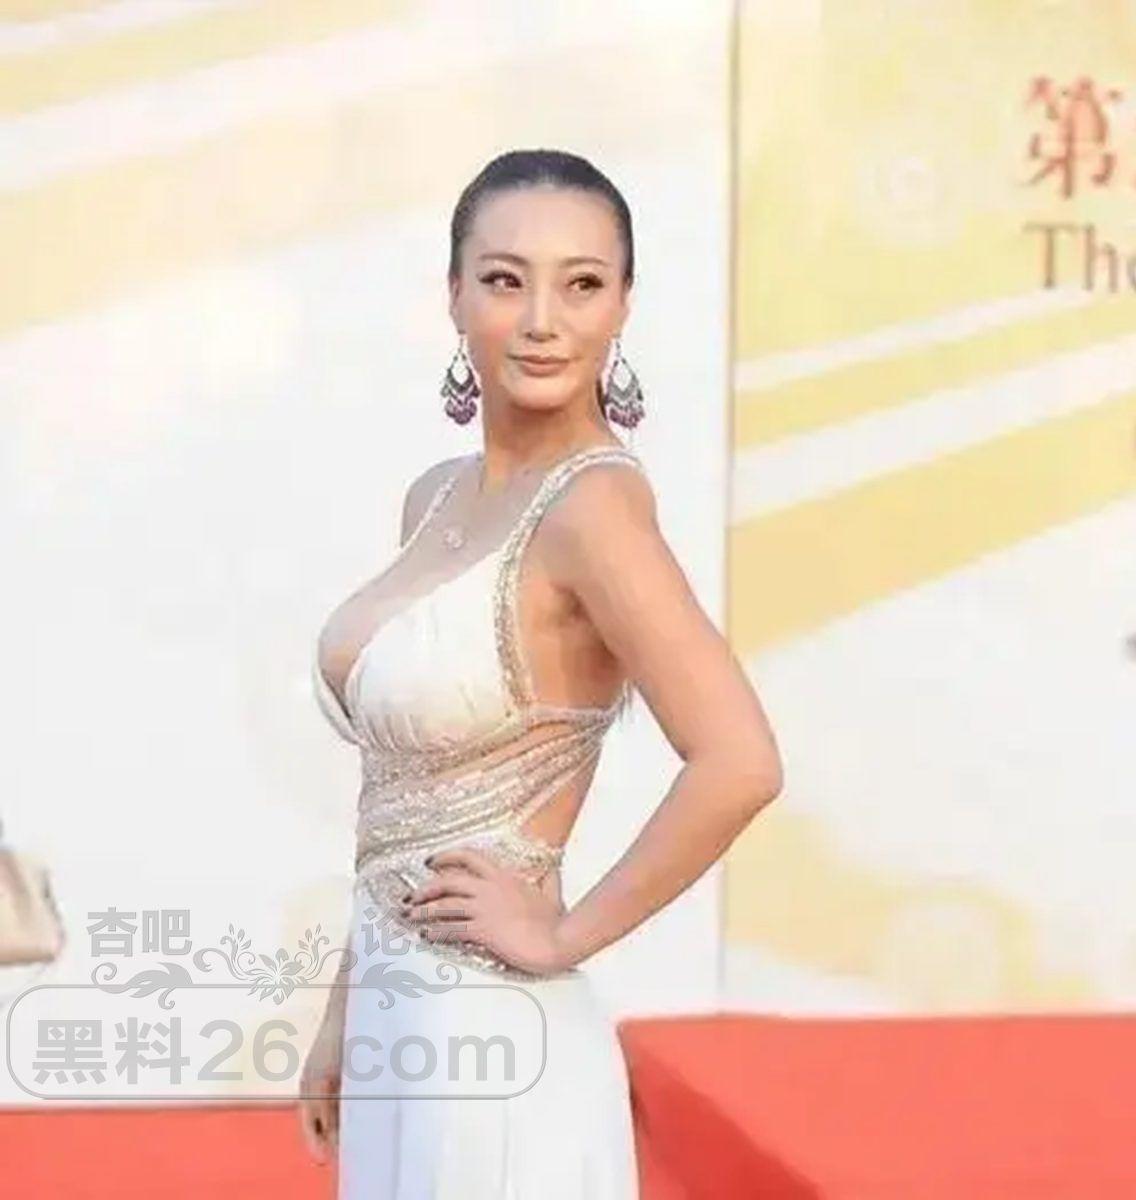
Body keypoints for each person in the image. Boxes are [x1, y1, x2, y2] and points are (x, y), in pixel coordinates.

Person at [299, 148, 783, 1199]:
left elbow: (739, 760)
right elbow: (398, 807)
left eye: (582, 284)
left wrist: (561, 933)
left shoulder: (592, 511)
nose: (541, 322)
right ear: (453, 294)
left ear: (623, 305)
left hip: (500, 1047)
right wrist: (347, 1009)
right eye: (504, 280)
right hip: (401, 1030)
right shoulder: (435, 496)